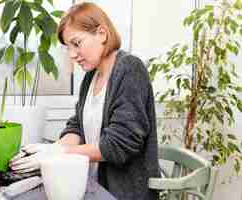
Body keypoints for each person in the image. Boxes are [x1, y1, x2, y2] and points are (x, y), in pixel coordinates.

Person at [9, 2, 160, 200]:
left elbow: (119, 145)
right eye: (68, 47)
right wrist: (54, 149)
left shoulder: (130, 69)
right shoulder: (92, 75)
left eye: (77, 43)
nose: (72, 55)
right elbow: (77, 126)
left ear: (102, 34)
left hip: (122, 193)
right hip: (91, 186)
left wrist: (60, 152)